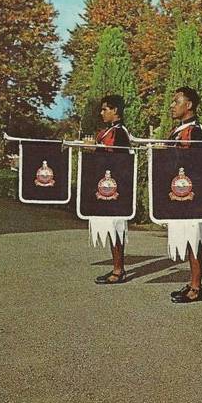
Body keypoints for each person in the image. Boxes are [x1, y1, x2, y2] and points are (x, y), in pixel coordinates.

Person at [167, 86, 202, 304]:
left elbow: (199, 165)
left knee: (195, 238)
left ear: (189, 105)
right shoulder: (178, 130)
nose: (172, 106)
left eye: (176, 101)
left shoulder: (195, 132)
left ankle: (197, 287)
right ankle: (192, 282)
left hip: (193, 196)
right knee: (186, 238)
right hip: (181, 193)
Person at [91, 95, 132, 284]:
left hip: (117, 188)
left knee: (117, 227)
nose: (102, 113)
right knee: (110, 227)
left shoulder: (120, 133)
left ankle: (118, 270)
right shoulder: (107, 132)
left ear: (115, 110)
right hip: (107, 187)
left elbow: (117, 161)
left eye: (104, 109)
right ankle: (117, 267)